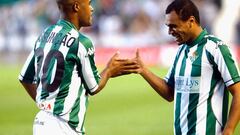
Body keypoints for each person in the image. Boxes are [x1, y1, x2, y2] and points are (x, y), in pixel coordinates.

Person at [18, 0, 138, 135]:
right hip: (63, 127)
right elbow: (94, 86)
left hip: (41, 122)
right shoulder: (81, 42)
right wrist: (109, 70)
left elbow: (25, 78)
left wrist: (48, 106)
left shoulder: (44, 34)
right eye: (89, 3)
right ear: (76, 6)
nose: (92, 9)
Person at [134, 0, 240, 135]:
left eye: (173, 26)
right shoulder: (180, 51)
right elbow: (169, 92)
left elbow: (238, 92)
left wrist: (229, 130)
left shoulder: (216, 48)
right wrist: (143, 70)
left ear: (191, 21)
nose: (169, 32)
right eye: (168, 26)